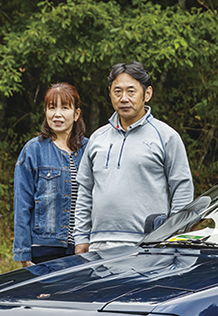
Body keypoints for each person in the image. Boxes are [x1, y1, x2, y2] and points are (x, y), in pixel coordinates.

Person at [74, 61, 193, 253]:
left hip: (147, 245)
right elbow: (85, 191)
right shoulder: (97, 138)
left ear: (147, 94)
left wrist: (173, 236)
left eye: (131, 91)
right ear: (110, 93)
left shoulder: (166, 136)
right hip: (98, 244)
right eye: (117, 91)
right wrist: (80, 238)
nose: (124, 98)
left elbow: (182, 188)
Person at [13, 82, 88, 266]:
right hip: (43, 249)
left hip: (82, 249)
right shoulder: (33, 150)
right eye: (52, 107)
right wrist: (23, 253)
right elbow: (22, 205)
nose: (57, 114)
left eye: (65, 107)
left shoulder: (90, 149)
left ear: (76, 114)